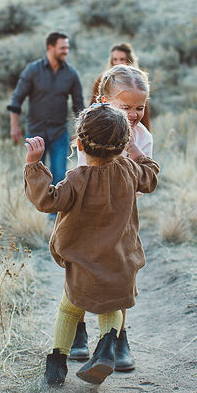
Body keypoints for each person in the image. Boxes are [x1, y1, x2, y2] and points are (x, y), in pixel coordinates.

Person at [24, 104, 160, 386]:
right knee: (111, 308)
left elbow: (46, 200)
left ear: (81, 144)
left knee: (69, 309)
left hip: (83, 267)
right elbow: (150, 178)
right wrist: (136, 152)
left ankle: (56, 364)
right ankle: (107, 348)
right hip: (120, 264)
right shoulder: (130, 171)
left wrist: (34, 165)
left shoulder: (77, 179)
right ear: (123, 145)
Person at [70, 64, 152, 372]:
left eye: (139, 107)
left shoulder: (142, 138)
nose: (133, 114)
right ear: (105, 101)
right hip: (86, 215)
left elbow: (142, 187)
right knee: (78, 271)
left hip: (120, 220)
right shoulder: (89, 129)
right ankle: (77, 331)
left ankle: (118, 338)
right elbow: (82, 174)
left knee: (120, 274)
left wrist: (131, 152)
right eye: (125, 107)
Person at [8, 31, 85, 187]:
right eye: (62, 48)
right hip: (36, 133)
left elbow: (79, 105)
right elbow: (17, 98)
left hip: (59, 133)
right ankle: (37, 209)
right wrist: (14, 126)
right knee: (35, 175)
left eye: (67, 47)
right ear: (50, 48)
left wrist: (80, 131)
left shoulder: (71, 74)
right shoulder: (33, 70)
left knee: (59, 176)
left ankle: (55, 212)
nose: (66, 51)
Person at [90, 42, 150, 131]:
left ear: (129, 59)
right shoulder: (103, 79)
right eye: (115, 59)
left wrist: (147, 132)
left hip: (132, 128)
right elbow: (93, 104)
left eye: (122, 59)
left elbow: (143, 108)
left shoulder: (136, 80)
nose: (118, 62)